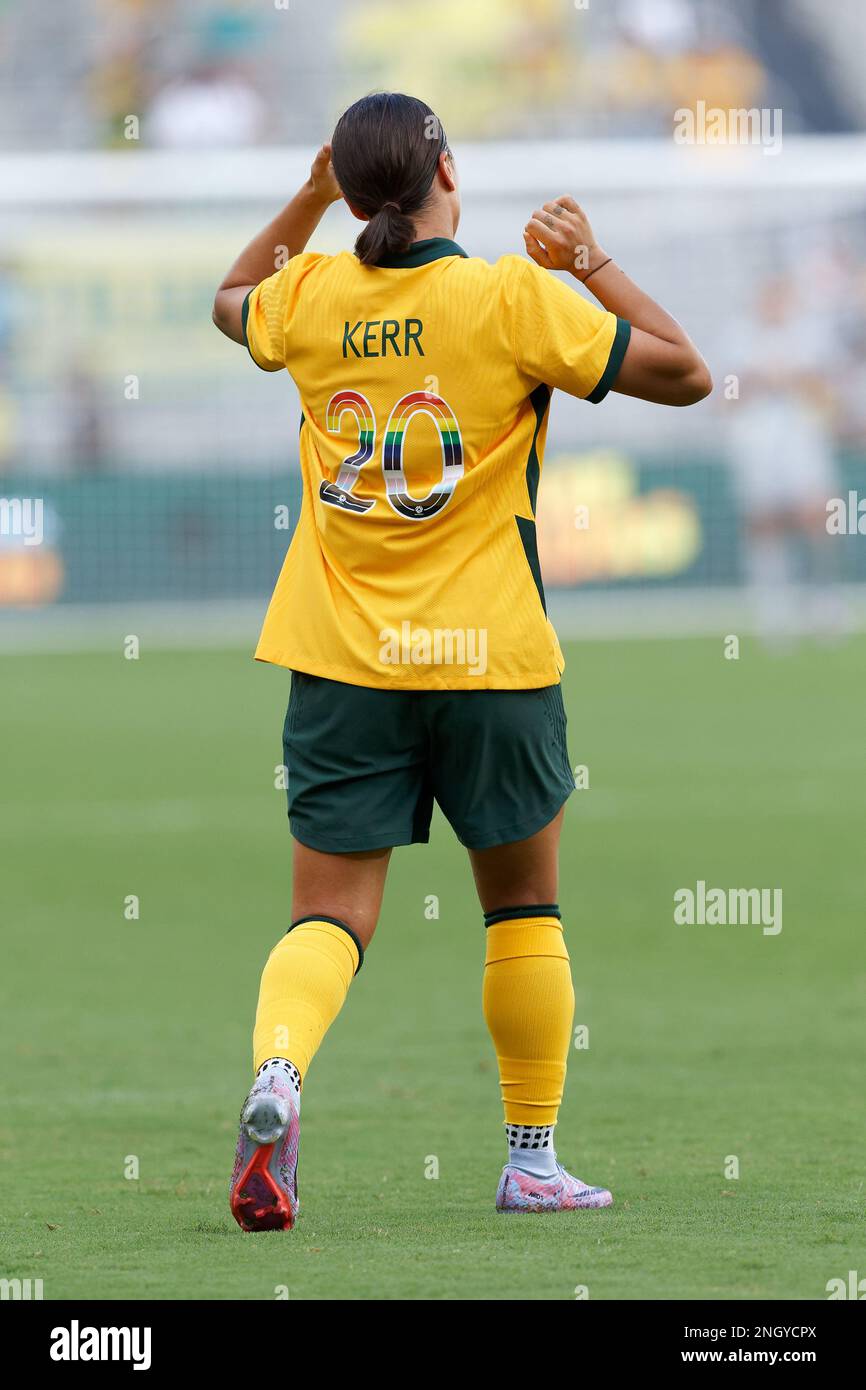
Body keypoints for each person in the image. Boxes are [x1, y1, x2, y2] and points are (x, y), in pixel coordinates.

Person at [212, 91, 711, 1230]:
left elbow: (225, 301)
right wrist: (591, 261)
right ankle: (529, 1160)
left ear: (349, 187)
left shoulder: (312, 293)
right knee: (522, 912)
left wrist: (303, 199)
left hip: (343, 663)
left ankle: (279, 1076)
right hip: (491, 658)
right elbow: (684, 371)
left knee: (325, 918)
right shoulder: (511, 297)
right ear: (448, 170)